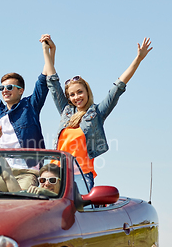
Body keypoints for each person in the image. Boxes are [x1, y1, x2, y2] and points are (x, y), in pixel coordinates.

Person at [40, 34, 152, 190]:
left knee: (80, 212)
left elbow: (118, 88)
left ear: (87, 91)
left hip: (81, 175)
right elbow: (52, 82)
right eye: (72, 95)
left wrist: (138, 59)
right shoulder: (66, 111)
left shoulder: (97, 113)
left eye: (79, 92)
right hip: (56, 174)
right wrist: (48, 50)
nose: (76, 97)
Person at [0, 125, 61, 196]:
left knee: (22, 197)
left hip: (26, 172)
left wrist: (46, 193)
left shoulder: (67, 201)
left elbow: (19, 199)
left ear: (61, 182)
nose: (46, 184)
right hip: (4, 172)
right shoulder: (35, 194)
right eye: (42, 180)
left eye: (52, 180)